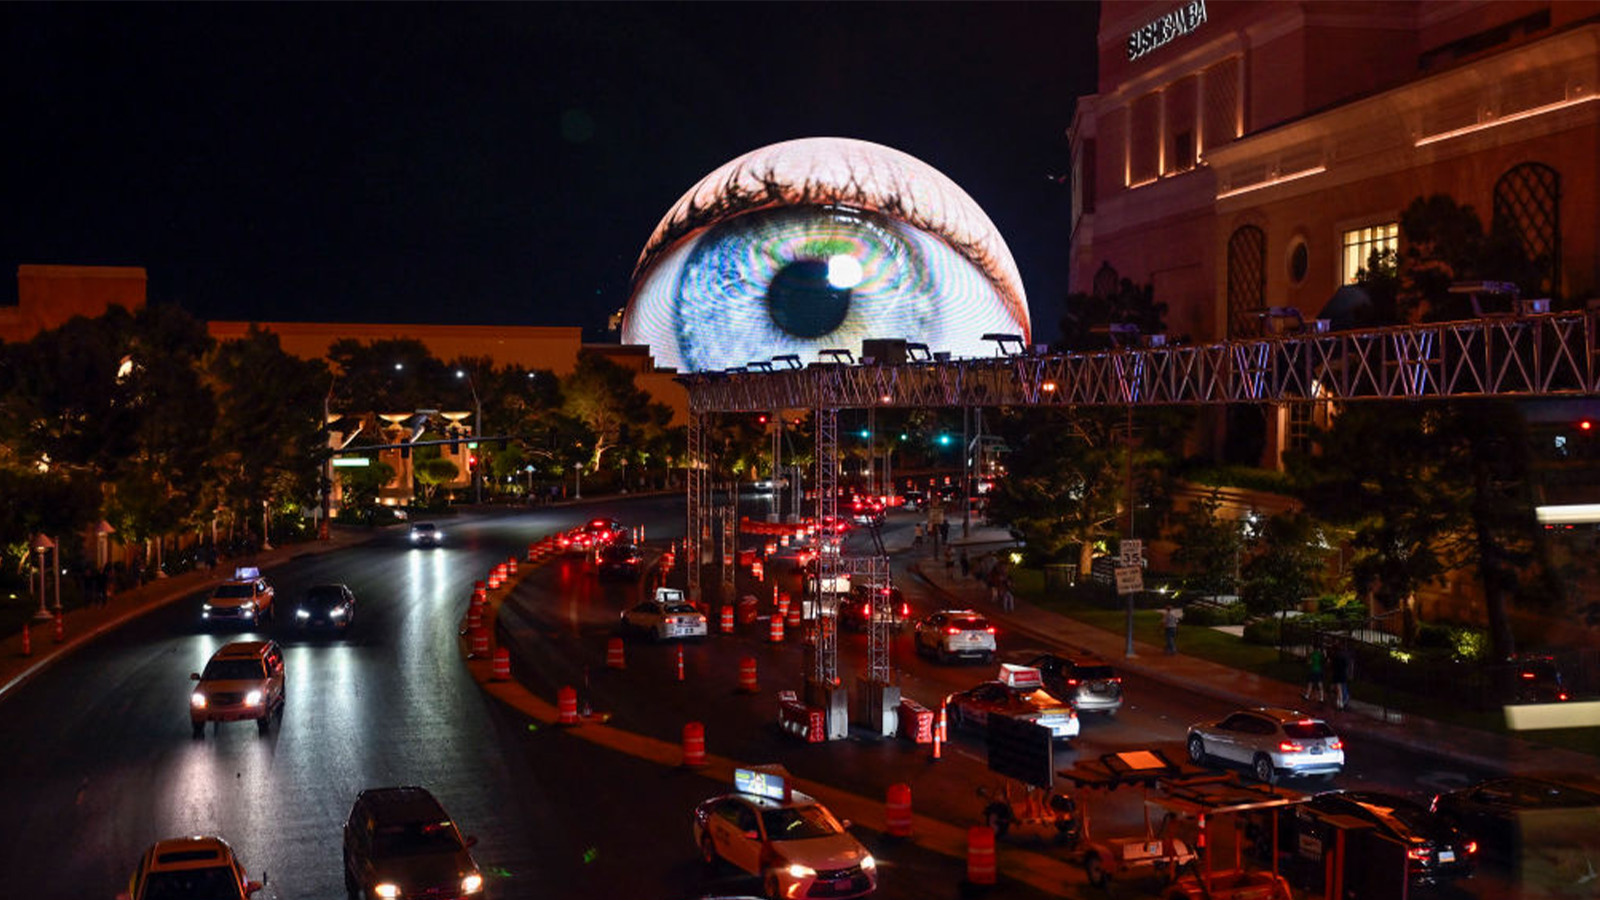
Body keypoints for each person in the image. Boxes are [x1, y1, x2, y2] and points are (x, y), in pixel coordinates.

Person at [1330, 643, 1353, 710]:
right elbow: (1346, 665)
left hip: (1338, 674)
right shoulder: (1343, 657)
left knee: (1339, 688)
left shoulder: (1335, 657)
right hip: (1342, 674)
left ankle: (1340, 702)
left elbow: (1333, 666)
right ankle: (1341, 701)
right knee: (1341, 687)